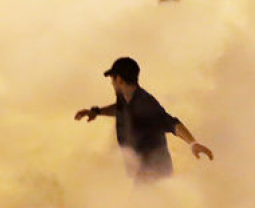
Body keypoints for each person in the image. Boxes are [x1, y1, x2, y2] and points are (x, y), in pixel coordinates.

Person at [75, 57, 212, 181]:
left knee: (144, 206)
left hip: (156, 174)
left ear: (119, 79)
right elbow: (120, 109)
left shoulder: (145, 103)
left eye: (112, 79)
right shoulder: (124, 98)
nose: (111, 83)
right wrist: (97, 112)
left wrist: (192, 143)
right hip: (141, 173)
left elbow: (171, 123)